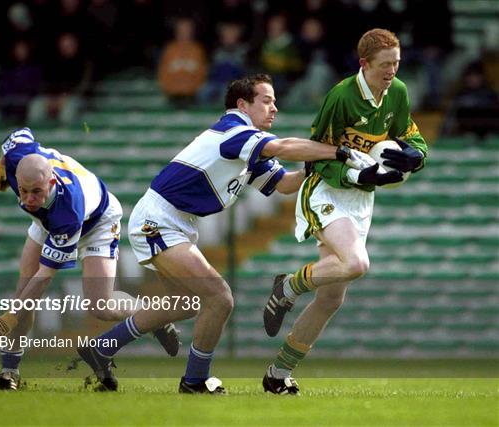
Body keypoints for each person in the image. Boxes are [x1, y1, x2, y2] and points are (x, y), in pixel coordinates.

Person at [76, 73, 384, 393]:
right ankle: (195, 380)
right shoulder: (235, 130)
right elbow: (283, 146)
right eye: (266, 101)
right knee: (219, 297)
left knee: (184, 304)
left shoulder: (245, 145)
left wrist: (314, 169)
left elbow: (283, 185)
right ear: (242, 104)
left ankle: (101, 349)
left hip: (174, 222)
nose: (274, 108)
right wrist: (337, 152)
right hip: (160, 220)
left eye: (275, 102)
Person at [261, 28, 428, 394]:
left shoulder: (397, 93)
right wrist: (357, 173)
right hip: (327, 189)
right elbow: (315, 156)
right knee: (357, 264)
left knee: (332, 297)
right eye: (385, 65)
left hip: (360, 199)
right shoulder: (340, 97)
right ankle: (288, 285)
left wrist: (416, 156)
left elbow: (411, 137)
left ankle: (277, 374)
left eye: (397, 64)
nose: (392, 72)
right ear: (364, 64)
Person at [0, 128, 179, 391]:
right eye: (24, 191)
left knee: (101, 306)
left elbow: (44, 276)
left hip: (97, 222)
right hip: (45, 219)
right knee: (22, 294)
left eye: (36, 191)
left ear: (50, 183)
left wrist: (10, 318)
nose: (28, 199)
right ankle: (9, 371)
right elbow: (21, 134)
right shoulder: (19, 158)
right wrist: (3, 161)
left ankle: (154, 316)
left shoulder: (67, 212)